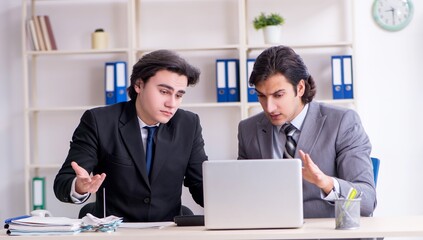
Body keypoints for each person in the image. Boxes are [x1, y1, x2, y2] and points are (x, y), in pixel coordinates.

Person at [54, 49, 208, 222]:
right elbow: (63, 182)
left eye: (179, 95)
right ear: (139, 85)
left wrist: (229, 197)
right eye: (164, 92)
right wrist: (80, 187)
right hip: (115, 231)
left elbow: (200, 183)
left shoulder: (188, 124)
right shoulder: (99, 121)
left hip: (166, 230)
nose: (171, 103)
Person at [238, 45, 376, 218]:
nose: (269, 107)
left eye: (278, 95)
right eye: (262, 96)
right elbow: (242, 195)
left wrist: (325, 182)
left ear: (300, 88)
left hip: (323, 234)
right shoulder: (248, 130)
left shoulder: (342, 122)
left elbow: (367, 202)